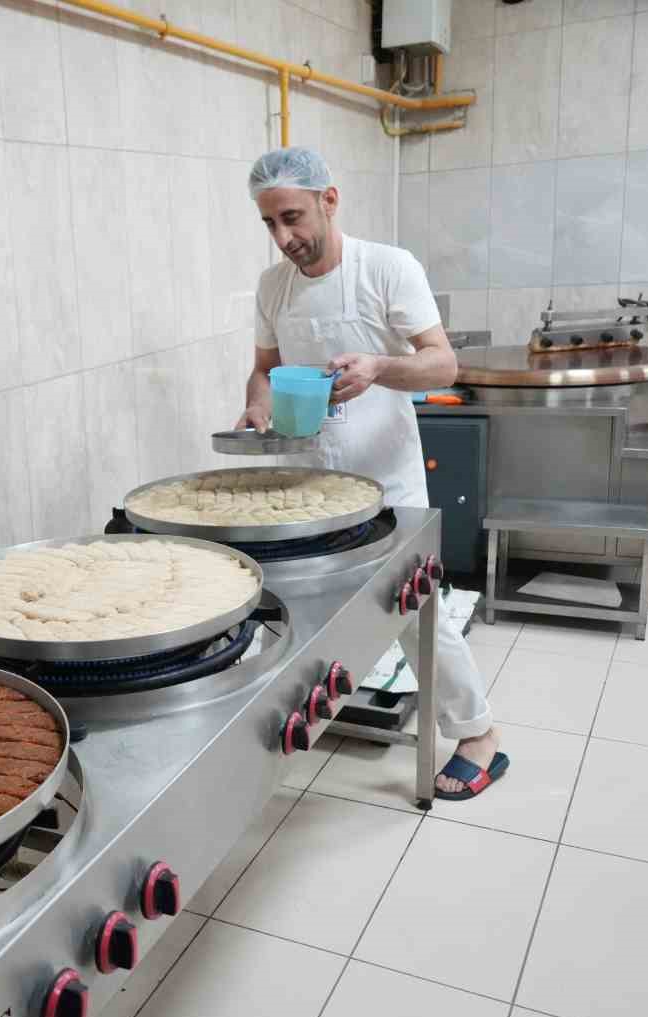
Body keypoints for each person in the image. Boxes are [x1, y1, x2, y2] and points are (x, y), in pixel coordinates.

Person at [235, 146, 507, 800]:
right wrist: (255, 405)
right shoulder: (274, 287)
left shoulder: (386, 268)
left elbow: (443, 366)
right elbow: (266, 369)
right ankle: (317, 711)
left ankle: (478, 734)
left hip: (388, 481)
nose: (284, 238)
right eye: (269, 224)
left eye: (293, 217)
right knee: (303, 603)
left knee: (418, 611)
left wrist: (380, 368)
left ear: (330, 200)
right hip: (308, 483)